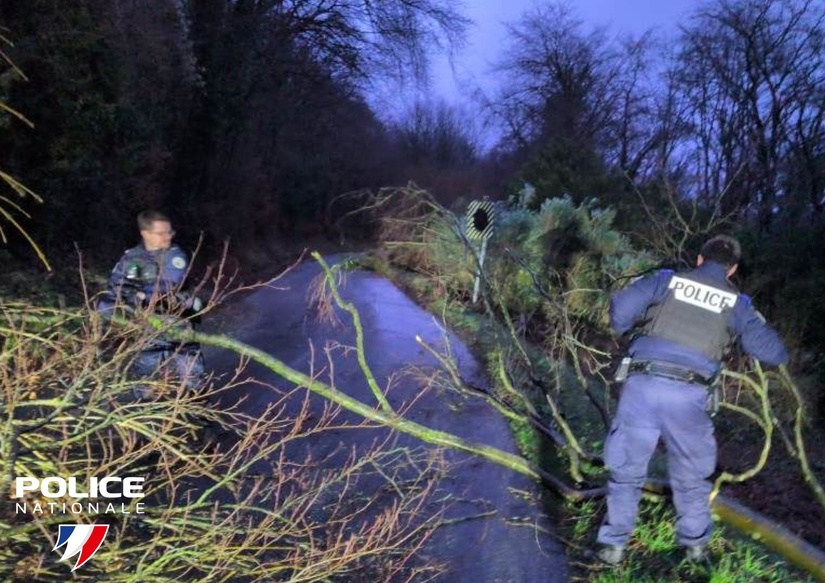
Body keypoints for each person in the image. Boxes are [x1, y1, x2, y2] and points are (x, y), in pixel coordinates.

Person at [596, 234, 788, 565]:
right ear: (732, 270)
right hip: (689, 398)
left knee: (627, 469)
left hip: (643, 385)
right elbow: (774, 353)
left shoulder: (666, 281)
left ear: (699, 259)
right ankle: (695, 550)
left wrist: (631, 328)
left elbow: (620, 312)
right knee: (690, 476)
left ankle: (612, 547)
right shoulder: (737, 303)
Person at [98, 210, 205, 399]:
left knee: (193, 376)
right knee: (146, 376)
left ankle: (201, 417)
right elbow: (117, 287)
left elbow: (168, 286)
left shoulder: (175, 255)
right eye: (161, 233)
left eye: (169, 232)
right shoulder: (132, 258)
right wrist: (113, 310)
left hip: (178, 324)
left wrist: (139, 295)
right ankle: (151, 417)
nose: (167, 237)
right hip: (147, 327)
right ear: (145, 234)